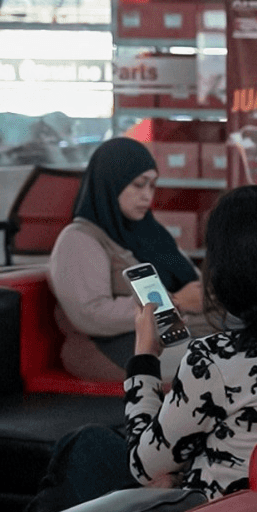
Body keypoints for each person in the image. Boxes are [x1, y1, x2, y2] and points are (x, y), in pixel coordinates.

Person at [23, 185, 257, 512]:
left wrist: (144, 358)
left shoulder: (213, 360)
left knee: (85, 447)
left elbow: (143, 466)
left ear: (226, 272)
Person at [48, 136, 204, 380]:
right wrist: (173, 303)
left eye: (152, 186)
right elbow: (92, 314)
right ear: (111, 184)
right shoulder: (80, 239)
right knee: (217, 363)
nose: (147, 196)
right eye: (139, 185)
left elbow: (194, 284)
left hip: (173, 333)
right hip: (112, 347)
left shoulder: (152, 234)